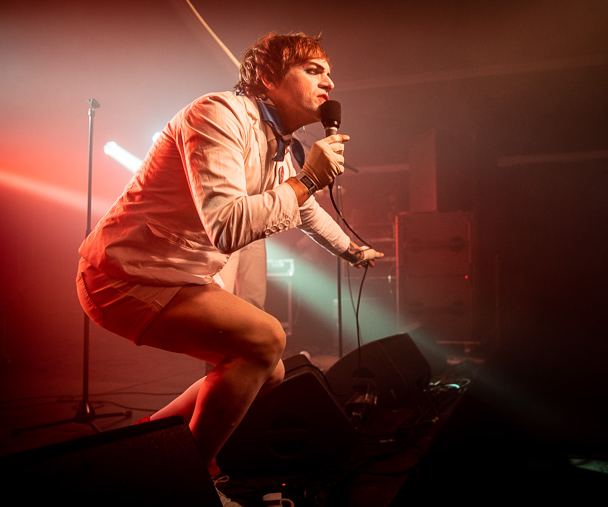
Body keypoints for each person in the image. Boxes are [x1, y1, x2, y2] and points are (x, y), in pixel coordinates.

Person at [75, 32, 383, 504]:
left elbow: (303, 210)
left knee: (269, 372)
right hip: (123, 275)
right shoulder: (217, 114)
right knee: (265, 338)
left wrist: (352, 250)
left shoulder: (278, 144)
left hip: (175, 275)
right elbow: (227, 226)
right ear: (268, 77)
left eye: (328, 72)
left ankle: (144, 447)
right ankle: (191, 481)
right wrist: (308, 179)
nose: (329, 82)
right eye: (313, 70)